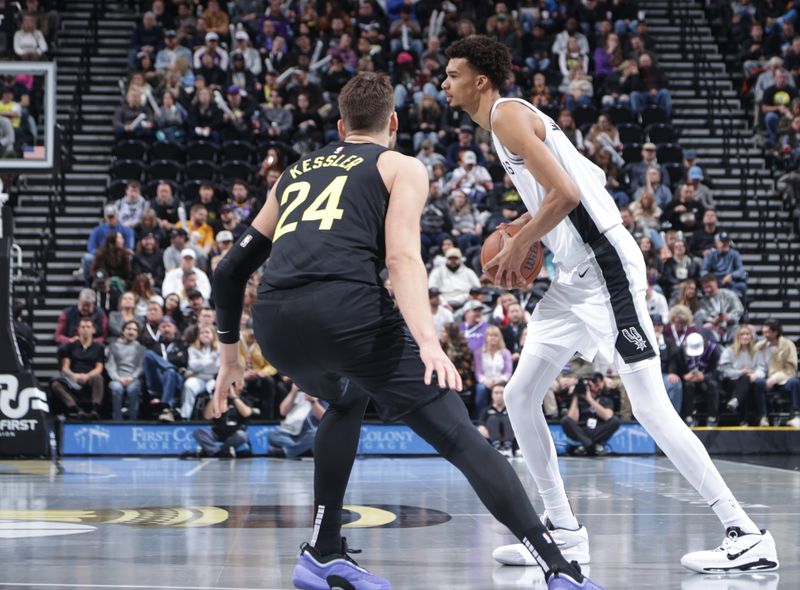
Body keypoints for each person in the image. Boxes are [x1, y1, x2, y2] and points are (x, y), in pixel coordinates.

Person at [209, 72, 600, 589]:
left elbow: (229, 271)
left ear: (342, 125)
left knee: (346, 399)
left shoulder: (295, 173)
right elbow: (401, 258)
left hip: (275, 324)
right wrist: (428, 342)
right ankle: (561, 568)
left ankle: (324, 553)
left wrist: (230, 358)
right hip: (346, 315)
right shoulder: (400, 166)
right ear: (392, 122)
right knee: (460, 434)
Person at [441, 35, 777, 573]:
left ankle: (744, 531)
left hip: (606, 273)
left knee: (649, 407)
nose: (444, 83)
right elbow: (580, 185)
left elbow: (568, 197)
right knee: (523, 395)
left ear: (480, 80)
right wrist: (523, 235)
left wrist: (520, 245)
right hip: (573, 280)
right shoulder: (511, 123)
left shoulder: (504, 115)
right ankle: (566, 533)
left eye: (453, 73)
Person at [50, 318, 105, 420]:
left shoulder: (99, 347)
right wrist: (74, 376)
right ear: (78, 330)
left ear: (93, 330)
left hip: (90, 377)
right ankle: (75, 409)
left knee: (98, 378)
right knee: (56, 384)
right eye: (82, 327)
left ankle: (95, 410)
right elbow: (65, 368)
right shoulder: (70, 346)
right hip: (73, 378)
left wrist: (87, 376)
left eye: (88, 327)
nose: (85, 329)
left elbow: (99, 368)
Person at [719, 325, 769, 427]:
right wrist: (741, 372)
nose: (745, 337)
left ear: (751, 337)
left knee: (747, 382)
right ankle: (745, 418)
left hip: (750, 381)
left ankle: (737, 405)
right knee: (744, 380)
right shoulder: (729, 351)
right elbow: (724, 371)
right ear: (738, 336)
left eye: (747, 334)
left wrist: (754, 374)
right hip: (732, 382)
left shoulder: (757, 351)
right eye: (742, 334)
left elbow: (762, 368)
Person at [560, 372, 620, 456]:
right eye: (591, 382)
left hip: (598, 430)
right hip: (581, 430)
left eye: (596, 382)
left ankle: (586, 445)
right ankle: (593, 446)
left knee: (615, 421)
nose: (594, 385)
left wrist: (589, 399)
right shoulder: (578, 399)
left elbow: (608, 416)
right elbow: (572, 419)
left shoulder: (606, 399)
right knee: (565, 420)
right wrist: (576, 395)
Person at [755, 319, 800, 427]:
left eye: (767, 332)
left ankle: (797, 416)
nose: (764, 335)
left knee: (795, 382)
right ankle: (763, 416)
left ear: (775, 332)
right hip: (765, 378)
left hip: (783, 380)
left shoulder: (788, 345)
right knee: (757, 383)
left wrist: (775, 378)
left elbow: (791, 369)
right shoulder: (760, 346)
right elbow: (756, 365)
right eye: (763, 332)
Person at [190, 381, 253, 458]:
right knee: (198, 432)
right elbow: (207, 416)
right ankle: (216, 452)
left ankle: (220, 451)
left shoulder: (244, 400)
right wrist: (216, 395)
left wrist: (234, 397)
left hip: (235, 434)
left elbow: (246, 413)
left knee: (242, 435)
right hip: (218, 433)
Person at [267, 382, 328, 458]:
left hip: (307, 432)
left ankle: (287, 452)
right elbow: (283, 411)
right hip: (289, 432)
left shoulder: (322, 394)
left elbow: (324, 417)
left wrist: (313, 402)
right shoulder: (296, 393)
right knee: (273, 435)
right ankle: (303, 449)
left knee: (316, 434)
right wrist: (293, 392)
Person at [678, 331, 722, 427]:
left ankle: (712, 417)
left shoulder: (714, 350)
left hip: (706, 380)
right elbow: (677, 367)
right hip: (690, 380)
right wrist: (684, 376)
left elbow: (717, 371)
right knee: (688, 385)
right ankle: (688, 417)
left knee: (713, 385)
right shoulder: (682, 349)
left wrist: (704, 377)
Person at [107, 321, 146, 420]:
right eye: (129, 329)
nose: (131, 332)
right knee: (116, 389)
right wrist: (118, 378)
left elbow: (141, 366)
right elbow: (110, 365)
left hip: (133, 378)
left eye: (134, 330)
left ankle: (133, 419)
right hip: (117, 378)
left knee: (132, 389)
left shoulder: (141, 348)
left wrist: (132, 377)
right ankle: (117, 420)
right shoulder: (113, 346)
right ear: (123, 331)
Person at [181, 325, 220, 420]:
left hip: (213, 378)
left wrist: (201, 363)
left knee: (218, 389)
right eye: (202, 333)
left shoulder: (220, 348)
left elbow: (218, 367)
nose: (204, 335)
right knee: (188, 386)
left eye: (207, 332)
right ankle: (185, 417)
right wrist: (210, 361)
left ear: (213, 335)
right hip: (197, 378)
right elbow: (192, 366)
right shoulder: (192, 349)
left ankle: (215, 418)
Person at [474, 326, 512, 418]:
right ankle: (481, 418)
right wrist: (485, 381)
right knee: (480, 389)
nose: (493, 338)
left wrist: (499, 380)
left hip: (501, 381)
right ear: (486, 338)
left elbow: (508, 372)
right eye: (490, 335)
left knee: (508, 389)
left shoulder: (505, 352)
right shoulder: (479, 353)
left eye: (496, 335)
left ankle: (506, 417)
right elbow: (478, 373)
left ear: (499, 338)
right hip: (486, 382)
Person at [652, 313, 684, 412]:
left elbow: (673, 358)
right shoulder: (643, 342)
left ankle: (674, 416)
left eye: (659, 325)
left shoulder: (669, 342)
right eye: (654, 325)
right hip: (648, 375)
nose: (657, 328)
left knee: (675, 383)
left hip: (664, 374)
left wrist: (672, 372)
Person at [477, 382, 515, 457]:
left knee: (507, 419)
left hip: (510, 438)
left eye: (501, 393)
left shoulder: (511, 409)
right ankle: (497, 446)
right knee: (493, 419)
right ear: (492, 395)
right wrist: (491, 434)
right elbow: (480, 427)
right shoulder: (486, 410)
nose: (499, 396)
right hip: (492, 439)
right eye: (496, 393)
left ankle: (507, 447)